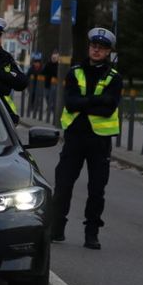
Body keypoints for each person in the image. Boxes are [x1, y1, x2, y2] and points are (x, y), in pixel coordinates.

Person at [51, 27, 123, 250]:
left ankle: (92, 233)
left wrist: (85, 102)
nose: (96, 50)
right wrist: (95, 100)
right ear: (89, 47)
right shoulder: (75, 72)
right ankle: (57, 229)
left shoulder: (114, 77)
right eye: (93, 46)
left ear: (108, 51)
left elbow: (108, 108)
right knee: (63, 184)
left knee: (96, 189)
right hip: (74, 137)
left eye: (101, 48)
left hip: (99, 141)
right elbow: (70, 103)